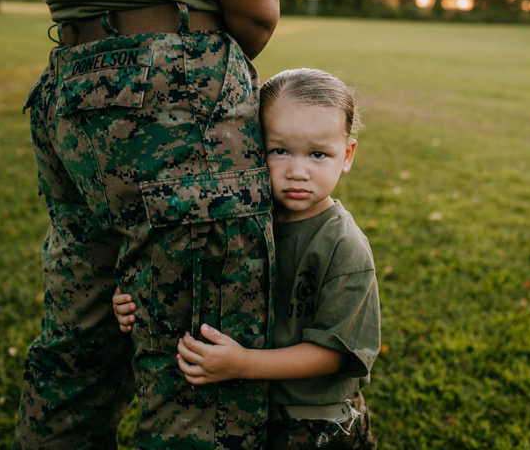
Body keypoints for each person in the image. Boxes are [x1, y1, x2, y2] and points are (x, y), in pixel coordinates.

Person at [14, 0, 279, 449]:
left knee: (75, 351)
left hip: (70, 83)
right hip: (172, 94)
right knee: (197, 377)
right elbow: (256, 8)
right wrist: (188, 79)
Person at [115, 69, 381, 449]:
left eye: (318, 154)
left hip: (315, 424)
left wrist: (242, 364)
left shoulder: (343, 245)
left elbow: (333, 355)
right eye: (279, 151)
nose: (297, 172)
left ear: (347, 155)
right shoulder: (242, 223)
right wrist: (132, 301)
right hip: (251, 415)